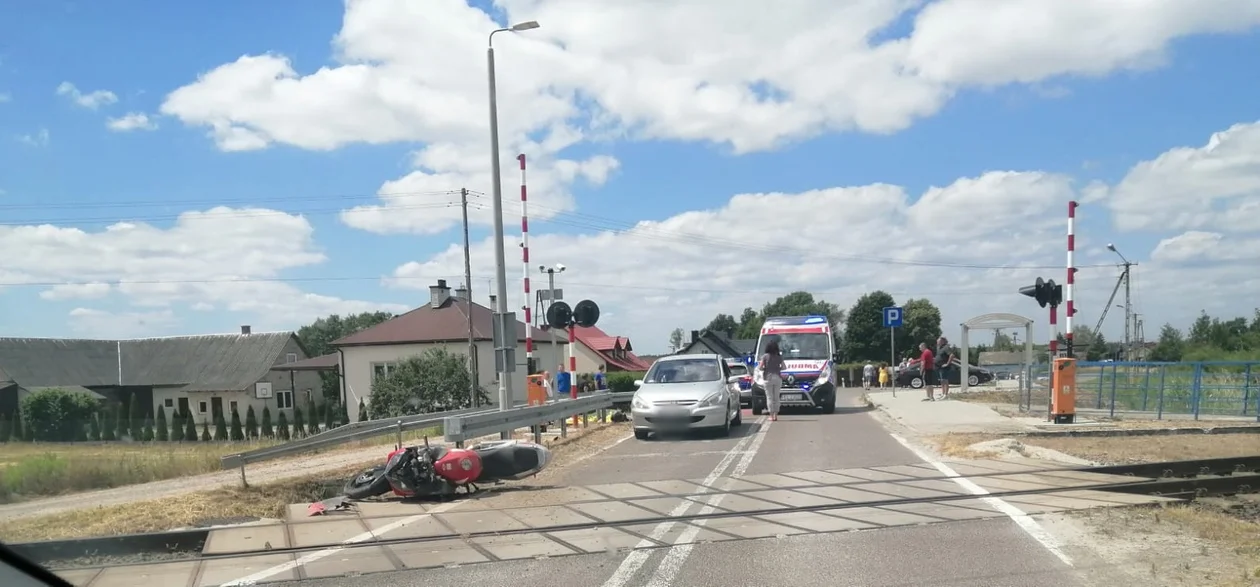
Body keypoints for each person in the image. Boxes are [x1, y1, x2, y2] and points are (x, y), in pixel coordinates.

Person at [759, 341, 785, 421]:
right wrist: (778, 368)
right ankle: (776, 415)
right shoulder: (779, 356)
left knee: (769, 397)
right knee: (776, 397)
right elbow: (784, 367)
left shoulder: (765, 356)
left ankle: (771, 415)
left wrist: (765, 368)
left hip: (768, 378)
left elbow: (760, 367)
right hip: (777, 377)